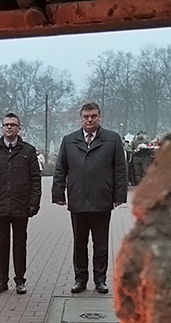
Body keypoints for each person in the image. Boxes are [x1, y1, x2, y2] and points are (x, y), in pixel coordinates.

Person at [52, 102, 127, 294]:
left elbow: (120, 169)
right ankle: (80, 279)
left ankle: (100, 279)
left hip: (102, 200)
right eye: (86, 116)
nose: (90, 119)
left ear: (99, 117)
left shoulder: (112, 139)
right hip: (77, 200)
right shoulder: (69, 141)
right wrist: (58, 193)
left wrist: (119, 195)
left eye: (93, 116)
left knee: (101, 244)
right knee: (79, 243)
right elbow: (61, 168)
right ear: (81, 118)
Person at [0, 112, 42, 295]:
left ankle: (20, 280)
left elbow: (35, 179)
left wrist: (34, 203)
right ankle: (2, 280)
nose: (9, 127)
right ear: (2, 127)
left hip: (21, 205)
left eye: (13, 125)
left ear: (19, 128)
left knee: (20, 244)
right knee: (2, 244)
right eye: (6, 125)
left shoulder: (28, 151)